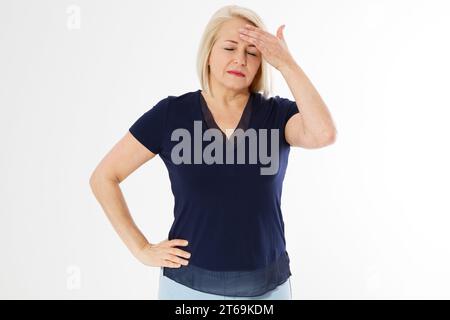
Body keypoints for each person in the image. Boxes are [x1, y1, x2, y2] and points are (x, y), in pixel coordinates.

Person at [89, 5, 336, 300]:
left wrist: (287, 64)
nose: (240, 59)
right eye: (230, 47)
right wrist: (141, 248)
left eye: (253, 52)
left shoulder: (277, 115)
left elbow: (323, 133)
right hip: (187, 288)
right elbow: (104, 177)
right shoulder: (172, 114)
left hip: (268, 289)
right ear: (208, 54)